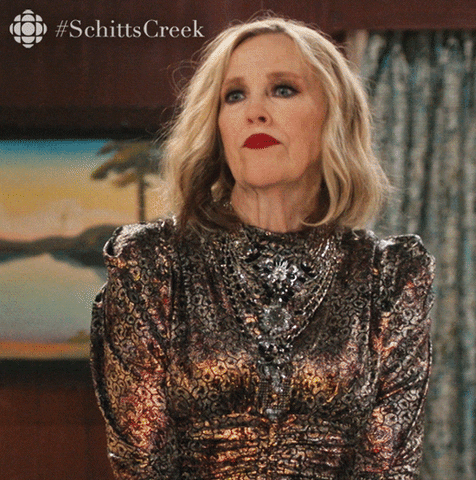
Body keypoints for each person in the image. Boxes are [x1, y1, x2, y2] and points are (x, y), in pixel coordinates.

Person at [91, 16, 435, 480]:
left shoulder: (389, 274)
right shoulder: (151, 262)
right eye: (234, 95)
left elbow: (388, 466)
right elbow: (142, 462)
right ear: (217, 125)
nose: (254, 111)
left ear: (334, 114)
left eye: (283, 89)